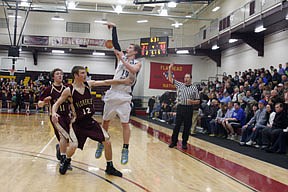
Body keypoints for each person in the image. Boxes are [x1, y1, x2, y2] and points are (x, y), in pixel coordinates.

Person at [51, 66, 132, 176]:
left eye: (85, 73)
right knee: (74, 146)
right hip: (77, 124)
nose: (85, 75)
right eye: (82, 73)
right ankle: (66, 161)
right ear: (76, 75)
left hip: (90, 122)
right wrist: (54, 112)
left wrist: (123, 81)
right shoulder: (69, 90)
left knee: (107, 141)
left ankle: (109, 167)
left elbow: (106, 82)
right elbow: (57, 103)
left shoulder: (88, 85)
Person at [95, 22, 142, 165]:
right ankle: (101, 143)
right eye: (127, 47)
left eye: (130, 48)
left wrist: (122, 59)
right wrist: (114, 28)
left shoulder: (138, 62)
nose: (127, 49)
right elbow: (116, 44)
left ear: (135, 52)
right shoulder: (122, 57)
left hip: (124, 96)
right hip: (113, 93)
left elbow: (133, 70)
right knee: (105, 122)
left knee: (125, 124)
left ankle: (125, 149)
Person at [38, 68, 71, 168]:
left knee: (69, 140)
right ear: (53, 77)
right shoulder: (49, 89)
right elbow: (39, 104)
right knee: (63, 137)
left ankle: (59, 149)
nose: (60, 75)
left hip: (67, 116)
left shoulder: (67, 88)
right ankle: (64, 160)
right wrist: (44, 102)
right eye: (57, 74)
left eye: (61, 74)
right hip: (56, 116)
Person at [167, 63, 200, 150]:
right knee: (177, 126)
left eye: (187, 77)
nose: (186, 79)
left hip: (189, 108)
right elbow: (170, 79)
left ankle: (184, 142)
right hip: (180, 107)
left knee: (187, 126)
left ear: (191, 79)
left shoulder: (194, 88)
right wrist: (170, 69)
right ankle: (173, 142)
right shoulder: (180, 85)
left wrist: (192, 101)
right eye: (185, 77)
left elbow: (198, 101)